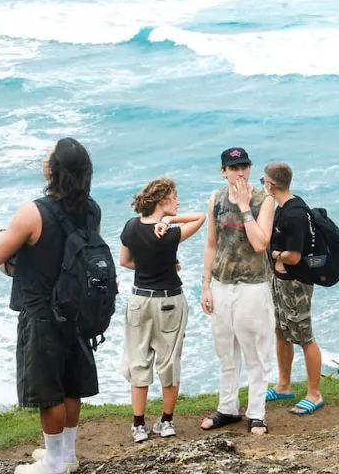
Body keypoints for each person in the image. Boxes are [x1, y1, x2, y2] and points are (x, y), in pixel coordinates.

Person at [0, 137, 100, 474]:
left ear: (53, 170)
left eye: (48, 156)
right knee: (71, 385)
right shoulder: (92, 209)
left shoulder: (33, 212)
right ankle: (67, 456)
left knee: (49, 391)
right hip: (77, 309)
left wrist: (6, 233)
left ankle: (52, 464)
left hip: (42, 313)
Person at [118, 178, 206, 442]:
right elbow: (201, 217)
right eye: (174, 197)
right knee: (168, 362)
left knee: (138, 360)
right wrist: (169, 220)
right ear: (162, 201)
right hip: (169, 301)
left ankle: (138, 425)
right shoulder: (168, 233)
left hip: (140, 301)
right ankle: (166, 422)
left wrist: (148, 265)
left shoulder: (130, 226)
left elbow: (125, 261)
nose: (178, 201)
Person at [199, 147, 276, 435]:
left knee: (256, 351)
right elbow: (211, 244)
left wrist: (244, 207)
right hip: (222, 283)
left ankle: (257, 413)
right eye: (234, 168)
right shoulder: (216, 199)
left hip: (252, 284)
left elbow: (260, 243)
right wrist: (205, 285)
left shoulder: (264, 201)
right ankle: (228, 407)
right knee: (225, 350)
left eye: (244, 167)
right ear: (224, 172)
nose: (240, 173)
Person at [261, 162, 325, 416]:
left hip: (297, 283)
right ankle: (284, 385)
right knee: (281, 330)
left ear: (270, 185)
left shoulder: (294, 214)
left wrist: (274, 254)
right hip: (280, 280)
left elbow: (294, 256)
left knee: (305, 336)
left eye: (263, 181)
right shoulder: (282, 208)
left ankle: (314, 393)